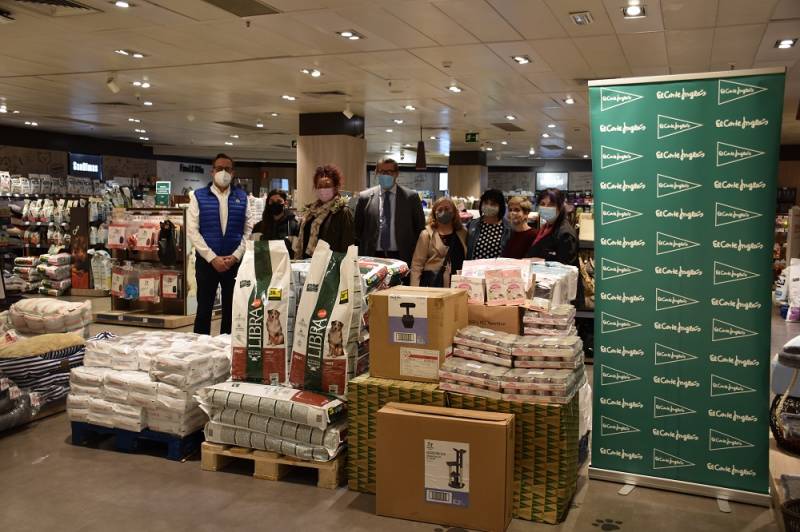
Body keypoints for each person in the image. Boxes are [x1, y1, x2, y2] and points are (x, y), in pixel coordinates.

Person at [187, 153, 253, 335]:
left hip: (233, 263)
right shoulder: (198, 196)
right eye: (219, 168)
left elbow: (248, 229)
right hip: (207, 263)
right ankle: (200, 350)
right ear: (212, 171)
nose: (223, 172)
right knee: (203, 311)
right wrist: (212, 257)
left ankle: (228, 349)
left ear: (233, 172)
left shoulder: (242, 197)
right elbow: (193, 231)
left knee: (232, 311)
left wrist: (236, 256)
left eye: (227, 169)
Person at [354, 157, 425, 267]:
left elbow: (420, 229)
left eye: (389, 172)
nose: (385, 175)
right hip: (372, 258)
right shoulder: (365, 197)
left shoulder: (411, 197)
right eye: (382, 171)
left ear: (396, 174)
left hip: (402, 257)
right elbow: (357, 230)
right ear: (377, 173)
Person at [293, 164, 354, 259]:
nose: (323, 189)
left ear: (335, 187)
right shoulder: (311, 211)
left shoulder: (342, 212)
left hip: (329, 265)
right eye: (319, 186)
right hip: (307, 263)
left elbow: (347, 245)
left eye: (327, 185)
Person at [410, 197, 466, 288]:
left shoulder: (462, 233)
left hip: (459, 284)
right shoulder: (426, 234)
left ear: (454, 212)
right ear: (434, 213)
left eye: (447, 209)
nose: (444, 212)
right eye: (440, 209)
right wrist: (415, 289)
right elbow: (417, 265)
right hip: (434, 284)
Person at [526, 188, 578, 266]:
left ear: (560, 207)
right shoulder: (545, 227)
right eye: (542, 204)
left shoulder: (565, 234)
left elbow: (567, 267)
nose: (546, 208)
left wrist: (541, 261)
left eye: (551, 205)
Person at [466, 189, 511, 260]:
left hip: (498, 269)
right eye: (486, 203)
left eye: (493, 204)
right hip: (475, 269)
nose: (488, 206)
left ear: (500, 207)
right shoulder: (472, 225)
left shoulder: (508, 228)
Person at [252, 189, 299, 254]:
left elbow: (297, 252)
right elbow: (254, 251)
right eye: (272, 201)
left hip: (286, 263)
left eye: (279, 201)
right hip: (266, 263)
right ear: (268, 202)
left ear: (285, 203)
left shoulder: (293, 225)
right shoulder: (258, 227)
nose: (275, 203)